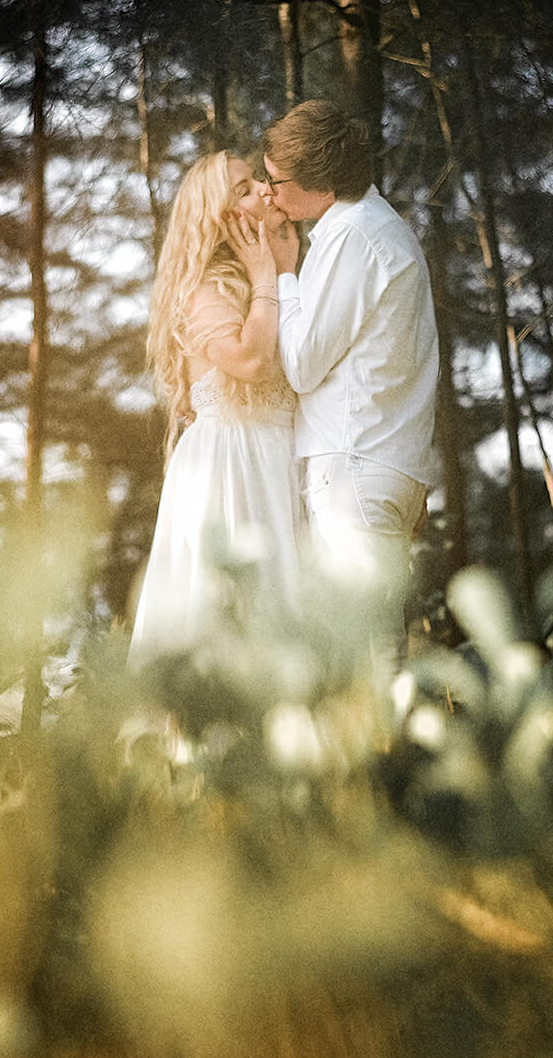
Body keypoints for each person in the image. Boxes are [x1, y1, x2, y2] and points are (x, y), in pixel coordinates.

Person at [259, 100, 440, 665]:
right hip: (381, 461)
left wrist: (285, 273)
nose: (269, 193)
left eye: (276, 181)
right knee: (378, 651)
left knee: (363, 658)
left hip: (354, 466)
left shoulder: (352, 236)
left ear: (321, 185)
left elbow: (304, 363)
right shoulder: (379, 227)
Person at [129, 151, 301, 661]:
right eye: (245, 190)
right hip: (233, 466)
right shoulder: (205, 289)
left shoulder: (260, 280)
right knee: (236, 620)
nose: (266, 191)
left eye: (258, 182)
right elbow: (249, 361)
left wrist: (280, 271)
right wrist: (269, 273)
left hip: (277, 460)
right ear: (218, 219)